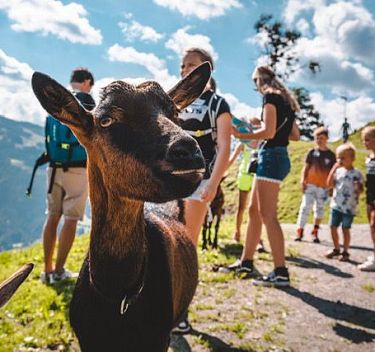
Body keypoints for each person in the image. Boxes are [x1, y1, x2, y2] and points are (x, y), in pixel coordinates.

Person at [173, 48, 231, 333]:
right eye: (182, 65)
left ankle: (180, 312)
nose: (185, 70)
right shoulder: (171, 102)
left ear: (206, 69)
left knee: (186, 248)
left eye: (192, 65)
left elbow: (224, 147)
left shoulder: (218, 103)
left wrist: (213, 182)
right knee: (163, 245)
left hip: (198, 185)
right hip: (168, 186)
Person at [229, 65, 300, 287]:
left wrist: (240, 134)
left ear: (259, 80)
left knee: (268, 215)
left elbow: (268, 132)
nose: (256, 88)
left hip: (270, 156)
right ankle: (246, 262)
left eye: (255, 83)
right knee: (254, 211)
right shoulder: (286, 100)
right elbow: (296, 135)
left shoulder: (270, 96)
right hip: (278, 156)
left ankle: (280, 272)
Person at [40, 68, 95, 284]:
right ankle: (60, 270)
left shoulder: (58, 101)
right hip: (78, 170)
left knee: (52, 216)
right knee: (71, 219)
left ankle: (47, 272)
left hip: (54, 167)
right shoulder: (87, 102)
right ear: (87, 82)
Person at [227, 117, 266, 252]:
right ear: (248, 127)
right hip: (244, 176)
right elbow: (231, 159)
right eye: (252, 126)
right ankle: (237, 233)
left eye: (257, 127)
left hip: (257, 176)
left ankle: (258, 240)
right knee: (241, 207)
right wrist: (220, 172)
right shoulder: (243, 143)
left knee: (257, 210)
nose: (255, 129)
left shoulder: (262, 143)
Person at [295, 127, 336, 242]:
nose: (319, 140)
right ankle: (300, 231)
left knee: (319, 209)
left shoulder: (331, 155)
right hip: (310, 185)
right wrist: (303, 180)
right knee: (305, 207)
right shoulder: (312, 153)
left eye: (321, 138)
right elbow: (306, 167)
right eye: (317, 138)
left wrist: (331, 186)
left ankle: (315, 231)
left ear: (327, 138)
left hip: (323, 187)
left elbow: (333, 173)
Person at [326, 143, 364, 262]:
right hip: (336, 205)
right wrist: (333, 169)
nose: (340, 160)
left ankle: (345, 251)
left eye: (343, 158)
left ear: (352, 159)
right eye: (338, 157)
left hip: (349, 207)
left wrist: (358, 187)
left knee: (345, 229)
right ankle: (336, 248)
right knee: (332, 226)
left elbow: (361, 190)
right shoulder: (338, 172)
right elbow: (329, 184)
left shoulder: (357, 173)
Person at [358, 126, 375, 271]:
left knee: (374, 226)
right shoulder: (368, 159)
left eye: (367, 139)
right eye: (363, 140)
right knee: (371, 226)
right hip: (370, 197)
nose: (365, 143)